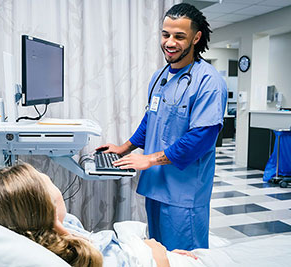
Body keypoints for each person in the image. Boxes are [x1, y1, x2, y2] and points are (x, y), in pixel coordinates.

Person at [97, 3, 227, 251]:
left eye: (179, 36)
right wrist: (124, 148)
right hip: (157, 188)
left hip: (184, 194)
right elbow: (152, 120)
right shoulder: (161, 76)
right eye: (166, 34)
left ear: (196, 38)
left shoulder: (208, 81)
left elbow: (202, 138)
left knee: (184, 257)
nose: (170, 42)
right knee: (160, 254)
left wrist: (150, 160)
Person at [0, 163, 198, 267]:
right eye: (46, 180)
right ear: (50, 206)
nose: (46, 177)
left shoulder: (64, 228)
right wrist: (162, 256)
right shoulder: (84, 258)